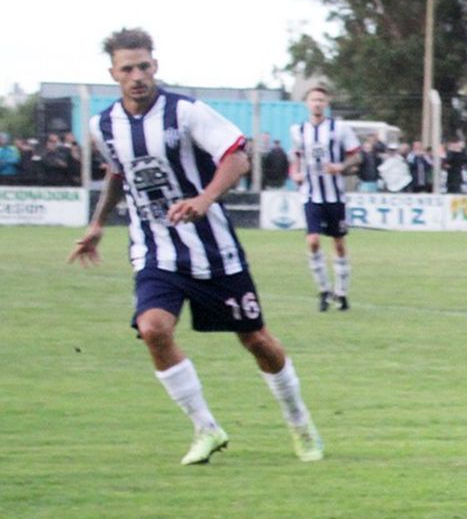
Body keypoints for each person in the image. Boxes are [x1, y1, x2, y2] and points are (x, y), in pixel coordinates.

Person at [69, 28, 323, 465]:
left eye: (144, 66)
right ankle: (205, 427)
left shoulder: (186, 112)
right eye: (127, 69)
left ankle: (299, 423)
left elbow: (237, 156)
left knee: (257, 340)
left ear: (156, 66)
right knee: (152, 329)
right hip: (154, 249)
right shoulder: (103, 124)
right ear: (113, 73)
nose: (137, 76)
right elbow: (117, 174)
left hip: (214, 250)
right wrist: (97, 225)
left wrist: (205, 199)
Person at [288, 85, 360, 312]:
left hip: (335, 196)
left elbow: (356, 155)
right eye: (313, 100)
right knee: (313, 241)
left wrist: (341, 166)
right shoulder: (298, 130)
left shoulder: (339, 129)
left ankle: (342, 292)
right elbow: (296, 159)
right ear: (307, 104)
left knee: (338, 244)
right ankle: (323, 290)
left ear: (326, 103)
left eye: (321, 100)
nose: (317, 103)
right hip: (310, 194)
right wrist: (295, 174)